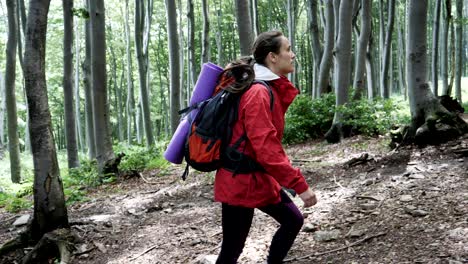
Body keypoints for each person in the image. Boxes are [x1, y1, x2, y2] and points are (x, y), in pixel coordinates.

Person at [214, 30, 317, 264]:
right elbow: (266, 149)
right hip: (240, 182)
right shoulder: (258, 93)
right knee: (231, 250)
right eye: (288, 49)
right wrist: (299, 185)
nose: (293, 55)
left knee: (293, 220)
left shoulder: (265, 88)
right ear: (272, 57)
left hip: (257, 178)